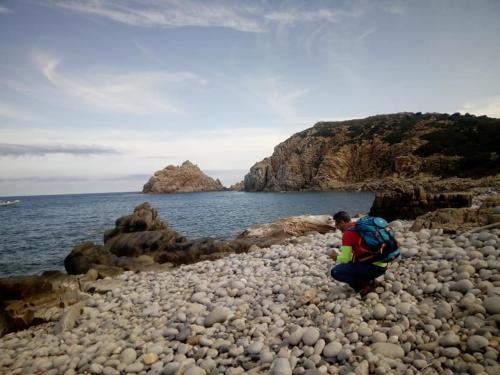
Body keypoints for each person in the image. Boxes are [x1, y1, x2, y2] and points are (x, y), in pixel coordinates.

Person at [330, 211, 389, 295]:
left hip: (373, 267)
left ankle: (365, 285)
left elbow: (345, 259)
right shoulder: (362, 226)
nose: (337, 227)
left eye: (337, 224)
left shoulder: (348, 233)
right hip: (385, 264)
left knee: (335, 272)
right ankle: (369, 279)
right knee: (354, 262)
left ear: (342, 222)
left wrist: (336, 257)